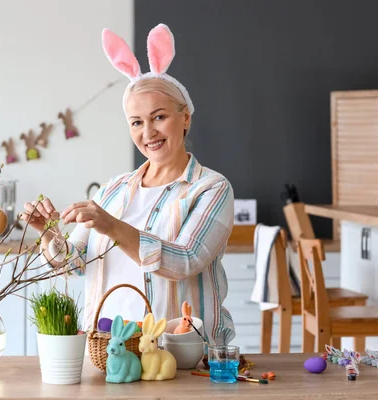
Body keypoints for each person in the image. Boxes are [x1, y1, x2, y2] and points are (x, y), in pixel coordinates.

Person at [20, 23, 235, 346]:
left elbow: (186, 261)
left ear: (186, 117)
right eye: (137, 122)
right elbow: (75, 263)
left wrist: (110, 226)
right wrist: (48, 232)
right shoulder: (114, 189)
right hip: (112, 350)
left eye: (159, 117)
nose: (148, 132)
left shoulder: (211, 189)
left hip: (181, 356)